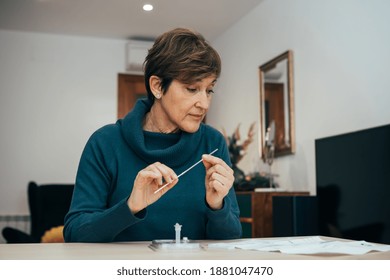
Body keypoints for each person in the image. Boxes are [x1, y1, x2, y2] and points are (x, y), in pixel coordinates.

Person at [63, 27, 242, 242]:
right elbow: (74, 233)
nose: (204, 104)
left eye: (209, 90)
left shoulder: (213, 143)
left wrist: (217, 207)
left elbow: (232, 237)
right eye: (192, 89)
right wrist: (131, 206)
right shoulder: (104, 143)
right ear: (157, 86)